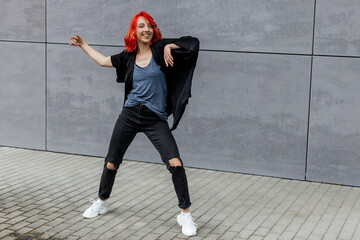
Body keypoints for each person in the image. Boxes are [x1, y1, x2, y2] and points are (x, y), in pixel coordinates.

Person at [69, 11, 199, 237]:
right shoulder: (127, 57)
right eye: (141, 26)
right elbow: (102, 61)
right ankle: (101, 201)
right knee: (111, 162)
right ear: (134, 32)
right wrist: (83, 44)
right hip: (129, 115)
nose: (146, 29)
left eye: (149, 25)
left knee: (175, 163)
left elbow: (192, 43)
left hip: (155, 118)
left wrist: (171, 47)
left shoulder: (160, 49)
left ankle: (185, 214)